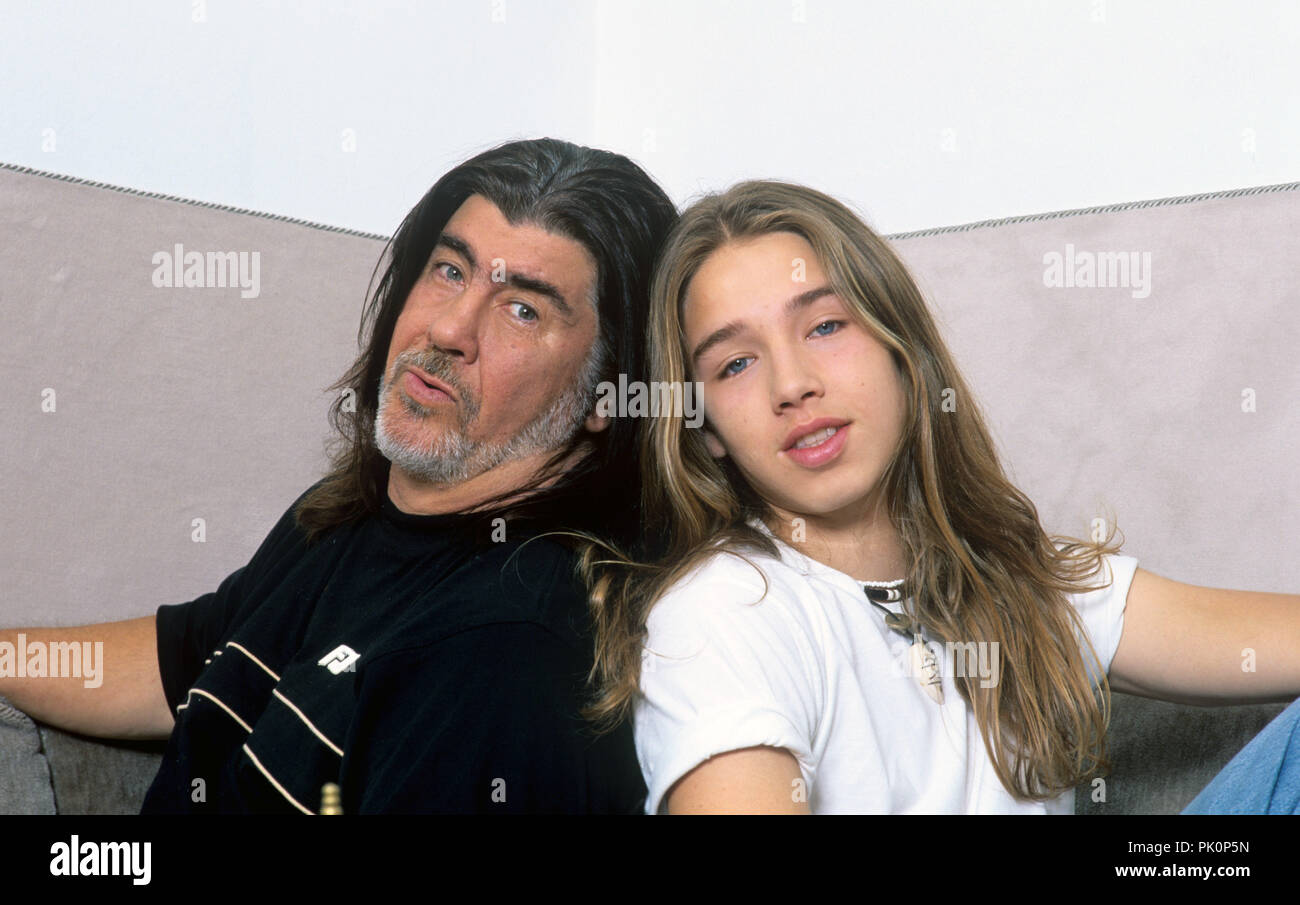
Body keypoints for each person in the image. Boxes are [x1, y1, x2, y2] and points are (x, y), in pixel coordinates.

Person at [579, 179, 1300, 814]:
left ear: (903, 352)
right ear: (705, 428)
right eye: (736, 363)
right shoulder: (723, 612)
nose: (792, 384)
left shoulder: (1013, 573)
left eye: (825, 326)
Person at [0, 138, 678, 813]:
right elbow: (181, 662)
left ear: (606, 394)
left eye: (522, 309)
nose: (449, 329)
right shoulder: (352, 516)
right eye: (449, 270)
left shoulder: (507, 651)